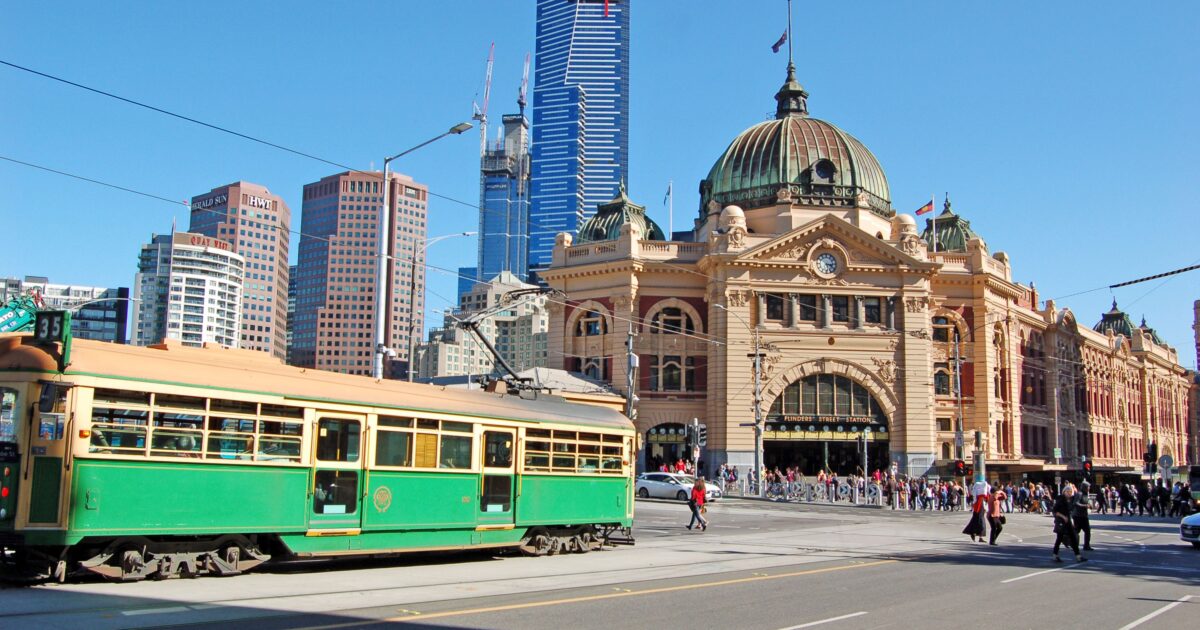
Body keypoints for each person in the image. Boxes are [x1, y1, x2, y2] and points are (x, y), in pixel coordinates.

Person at [1052, 484, 1087, 563]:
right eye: (1067, 491)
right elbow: (1055, 511)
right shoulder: (1060, 499)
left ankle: (1078, 556)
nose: (1069, 493)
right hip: (1061, 522)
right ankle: (1055, 555)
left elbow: (1072, 507)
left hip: (1068, 522)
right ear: (1064, 492)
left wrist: (1070, 520)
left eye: (1070, 491)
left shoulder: (1071, 500)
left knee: (1073, 538)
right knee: (1059, 539)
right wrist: (1063, 517)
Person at [1073, 481, 1093, 551]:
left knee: (1087, 531)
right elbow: (1076, 503)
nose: (1089, 488)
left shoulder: (1085, 494)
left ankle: (1086, 546)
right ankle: (1075, 545)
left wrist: (1090, 506)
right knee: (1077, 531)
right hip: (1078, 516)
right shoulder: (1079, 494)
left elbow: (1087, 502)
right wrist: (1085, 506)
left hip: (1084, 515)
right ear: (1084, 487)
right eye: (1088, 487)